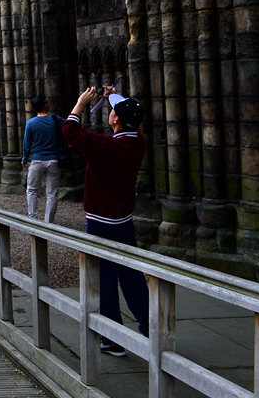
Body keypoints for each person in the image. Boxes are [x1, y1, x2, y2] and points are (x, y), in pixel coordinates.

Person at [63, 86, 149, 357]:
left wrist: (80, 103)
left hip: (101, 222)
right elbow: (128, 116)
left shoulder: (106, 147)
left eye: (113, 110)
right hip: (124, 220)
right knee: (132, 275)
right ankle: (151, 329)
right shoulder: (138, 141)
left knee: (104, 279)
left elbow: (71, 131)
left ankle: (112, 338)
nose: (111, 112)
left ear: (115, 119)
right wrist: (115, 95)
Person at [22, 95, 64, 223]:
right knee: (52, 193)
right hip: (53, 160)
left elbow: (27, 144)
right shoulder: (56, 120)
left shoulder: (31, 123)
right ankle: (48, 222)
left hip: (37, 160)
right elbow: (69, 126)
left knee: (32, 190)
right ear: (45, 105)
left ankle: (33, 219)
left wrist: (25, 159)